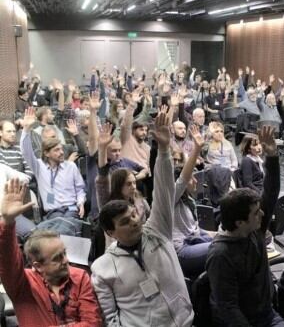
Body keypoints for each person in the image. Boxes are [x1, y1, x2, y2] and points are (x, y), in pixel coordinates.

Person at [91, 111, 194, 327]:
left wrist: (164, 150)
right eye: (126, 222)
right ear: (110, 232)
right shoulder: (103, 269)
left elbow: (164, 189)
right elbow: (109, 319)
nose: (135, 222)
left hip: (184, 322)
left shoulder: (157, 231)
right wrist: (102, 150)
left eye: (134, 216)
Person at [206, 126, 284, 327]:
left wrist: (272, 156)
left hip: (267, 313)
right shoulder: (220, 255)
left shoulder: (254, 228)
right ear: (240, 222)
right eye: (256, 213)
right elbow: (228, 308)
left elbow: (271, 192)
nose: (262, 215)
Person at [0, 178, 102, 326]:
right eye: (57, 258)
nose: (66, 261)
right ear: (38, 266)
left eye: (64, 253)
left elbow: (92, 323)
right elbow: (7, 260)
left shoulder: (80, 277)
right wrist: (7, 222)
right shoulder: (22, 284)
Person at [20, 107, 86, 221]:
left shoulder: (70, 166)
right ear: (46, 153)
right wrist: (26, 130)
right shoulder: (39, 167)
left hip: (71, 210)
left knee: (66, 224)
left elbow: (80, 189)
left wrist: (81, 202)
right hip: (53, 212)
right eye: (57, 150)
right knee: (59, 224)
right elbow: (26, 152)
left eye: (61, 149)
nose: (61, 153)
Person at [173, 125, 213, 277]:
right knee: (221, 249)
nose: (196, 180)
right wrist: (196, 149)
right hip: (181, 250)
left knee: (227, 240)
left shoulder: (188, 199)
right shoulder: (172, 198)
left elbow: (195, 230)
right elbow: (182, 179)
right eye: (192, 177)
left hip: (192, 241)